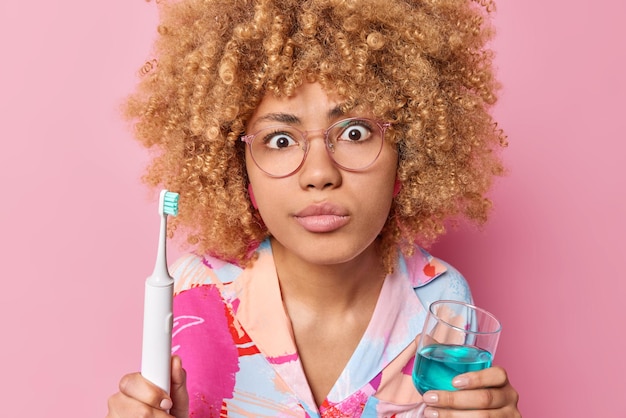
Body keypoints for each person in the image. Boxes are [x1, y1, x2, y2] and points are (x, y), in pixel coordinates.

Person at [107, 0, 521, 416]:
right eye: (280, 140)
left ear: (409, 152)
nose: (319, 174)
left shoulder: (442, 298)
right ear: (239, 169)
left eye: (355, 132)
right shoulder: (192, 291)